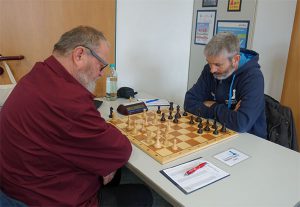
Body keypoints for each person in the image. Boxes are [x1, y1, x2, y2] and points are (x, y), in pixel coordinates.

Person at [0, 26, 153, 207]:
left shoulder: (37, 75)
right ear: (79, 55)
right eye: (101, 64)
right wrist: (103, 166)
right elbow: (121, 150)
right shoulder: (68, 100)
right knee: (143, 195)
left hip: (15, 187)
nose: (101, 73)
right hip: (43, 198)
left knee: (114, 173)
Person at [184, 32, 267, 138]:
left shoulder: (253, 77)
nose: (212, 69)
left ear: (235, 60)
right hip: (216, 131)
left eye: (218, 65)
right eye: (209, 63)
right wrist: (228, 112)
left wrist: (212, 106)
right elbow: (189, 102)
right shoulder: (209, 70)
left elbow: (241, 123)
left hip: (249, 139)